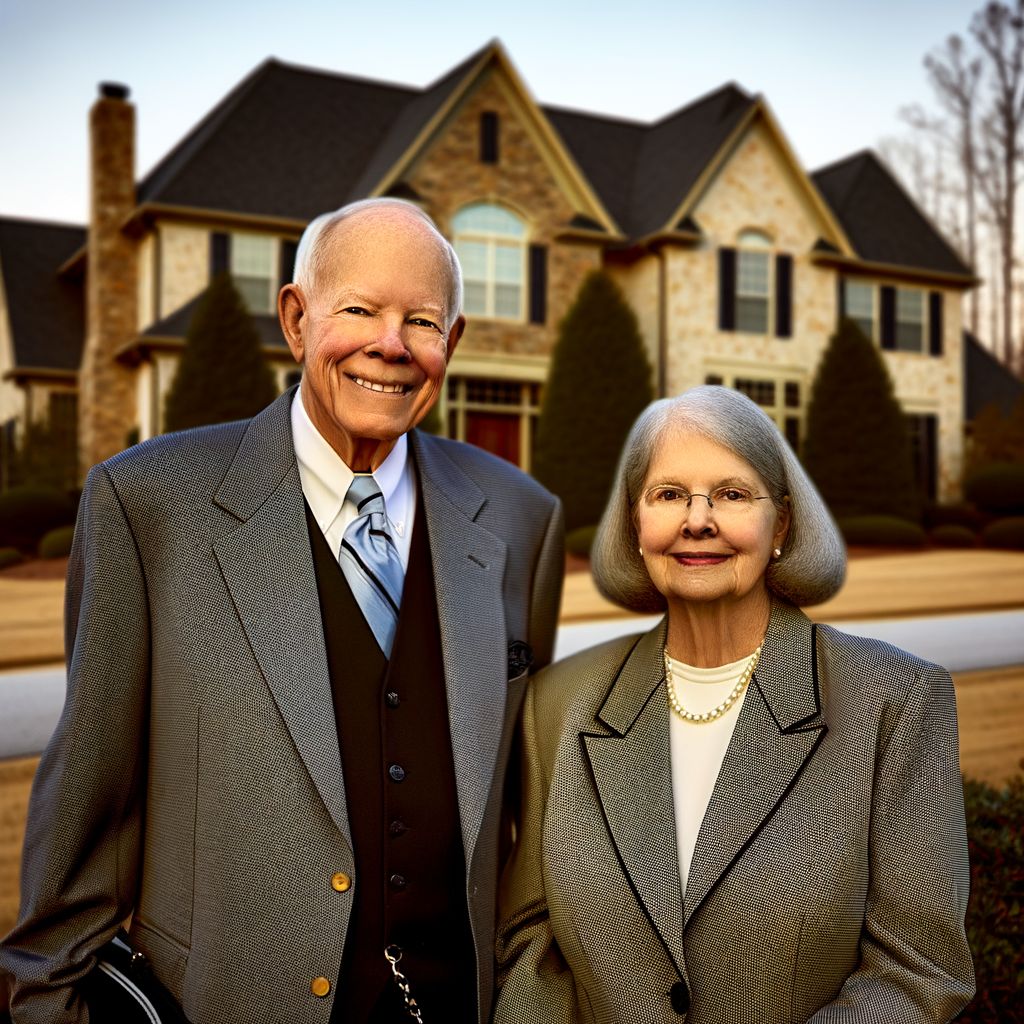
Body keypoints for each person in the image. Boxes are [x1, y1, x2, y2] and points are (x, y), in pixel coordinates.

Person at [0, 198, 564, 1023]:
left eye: (422, 321)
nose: (391, 345)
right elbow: (90, 800)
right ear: (298, 320)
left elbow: (525, 809)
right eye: (361, 311)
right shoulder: (151, 503)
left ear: (454, 342)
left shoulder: (520, 515)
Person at [493, 386, 974, 1023]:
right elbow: (526, 941)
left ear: (783, 525)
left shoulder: (895, 699)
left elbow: (920, 974)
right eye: (668, 495)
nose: (698, 520)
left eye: (732, 494)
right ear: (635, 525)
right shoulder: (557, 704)